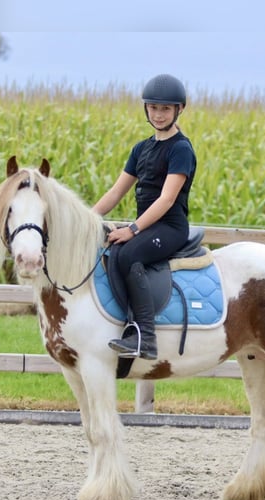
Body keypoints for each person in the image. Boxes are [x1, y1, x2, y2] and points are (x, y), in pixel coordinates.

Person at [93, 73, 197, 360]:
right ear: (146, 109)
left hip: (170, 228)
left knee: (127, 255)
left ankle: (145, 337)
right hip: (150, 227)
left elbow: (166, 199)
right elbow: (116, 193)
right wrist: (86, 218)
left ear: (179, 109)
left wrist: (133, 229)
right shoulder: (141, 148)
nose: (159, 114)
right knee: (114, 252)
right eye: (153, 108)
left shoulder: (181, 149)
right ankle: (125, 326)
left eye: (165, 109)